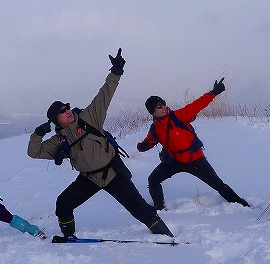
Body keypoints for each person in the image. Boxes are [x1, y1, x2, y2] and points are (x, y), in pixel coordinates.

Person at [28, 48, 174, 242]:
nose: (68, 110)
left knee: (140, 209)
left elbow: (105, 94)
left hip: (112, 173)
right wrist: (37, 134)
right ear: (56, 120)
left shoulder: (89, 118)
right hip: (89, 179)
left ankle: (168, 238)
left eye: (67, 107)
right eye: (63, 111)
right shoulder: (59, 141)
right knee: (63, 204)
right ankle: (69, 237)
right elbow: (34, 151)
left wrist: (116, 70)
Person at [136, 80, 250, 210]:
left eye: (163, 104)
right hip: (174, 160)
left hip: (195, 159)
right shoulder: (155, 128)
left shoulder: (178, 116)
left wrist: (213, 93)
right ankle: (159, 208)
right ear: (152, 111)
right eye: (159, 106)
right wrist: (142, 146)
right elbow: (150, 141)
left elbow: (196, 105)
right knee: (153, 180)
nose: (164, 107)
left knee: (217, 183)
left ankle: (242, 204)